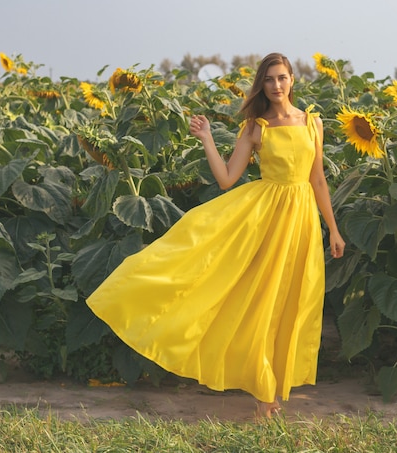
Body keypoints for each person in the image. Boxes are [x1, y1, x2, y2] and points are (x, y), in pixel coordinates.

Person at [86, 52, 345, 419]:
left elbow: (317, 179)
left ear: (292, 79)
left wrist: (333, 228)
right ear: (262, 84)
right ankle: (264, 394)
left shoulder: (312, 123)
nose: (276, 86)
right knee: (262, 303)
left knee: (292, 301)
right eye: (269, 79)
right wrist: (207, 138)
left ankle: (272, 388)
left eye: (282, 78)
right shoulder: (256, 128)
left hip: (302, 220)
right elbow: (227, 179)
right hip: (266, 221)